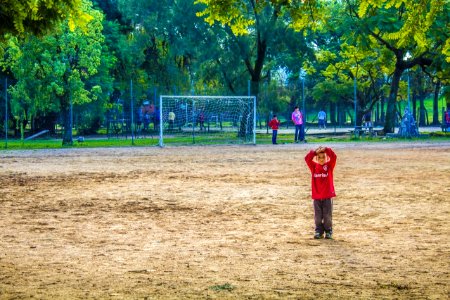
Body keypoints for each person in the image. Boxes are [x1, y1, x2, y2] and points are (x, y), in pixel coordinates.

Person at [304, 146, 337, 239]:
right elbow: (307, 158)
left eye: (323, 157)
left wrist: (325, 149)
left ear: (326, 158)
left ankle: (328, 231)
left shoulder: (329, 166)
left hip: (327, 196)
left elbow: (334, 157)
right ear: (316, 158)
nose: (321, 159)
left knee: (327, 216)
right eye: (319, 157)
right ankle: (318, 231)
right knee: (318, 216)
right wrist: (315, 152)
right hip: (317, 197)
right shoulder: (314, 167)